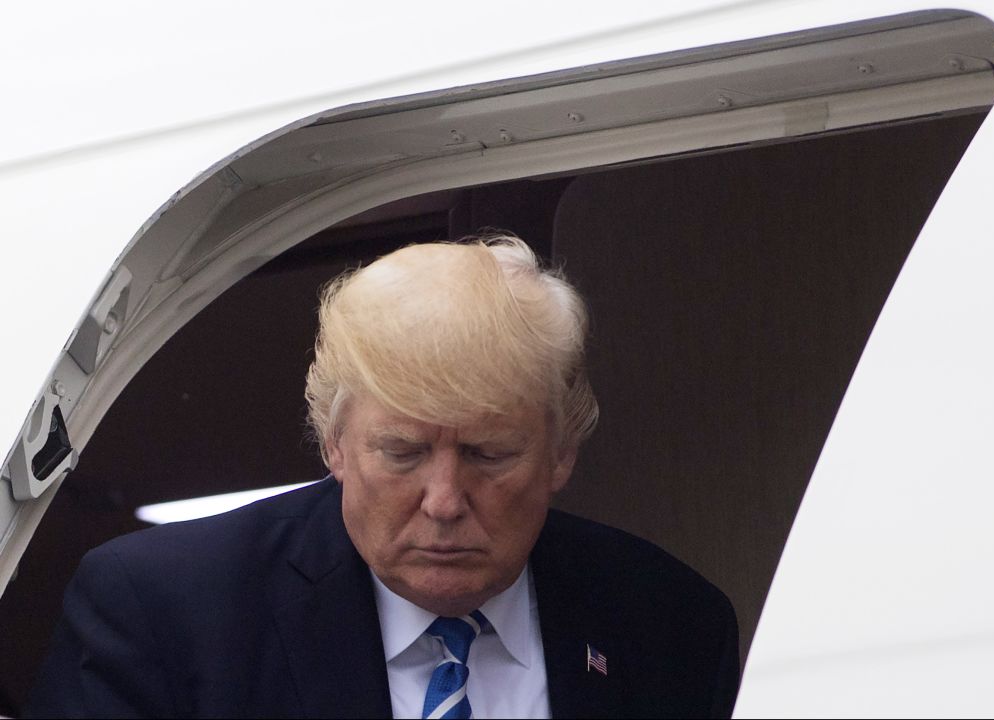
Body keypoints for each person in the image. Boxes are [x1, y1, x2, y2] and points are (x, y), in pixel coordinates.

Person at [25, 235, 739, 718]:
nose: (443, 502)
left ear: (562, 452)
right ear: (334, 444)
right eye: (401, 452)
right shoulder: (163, 615)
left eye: (489, 454)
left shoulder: (669, 625)